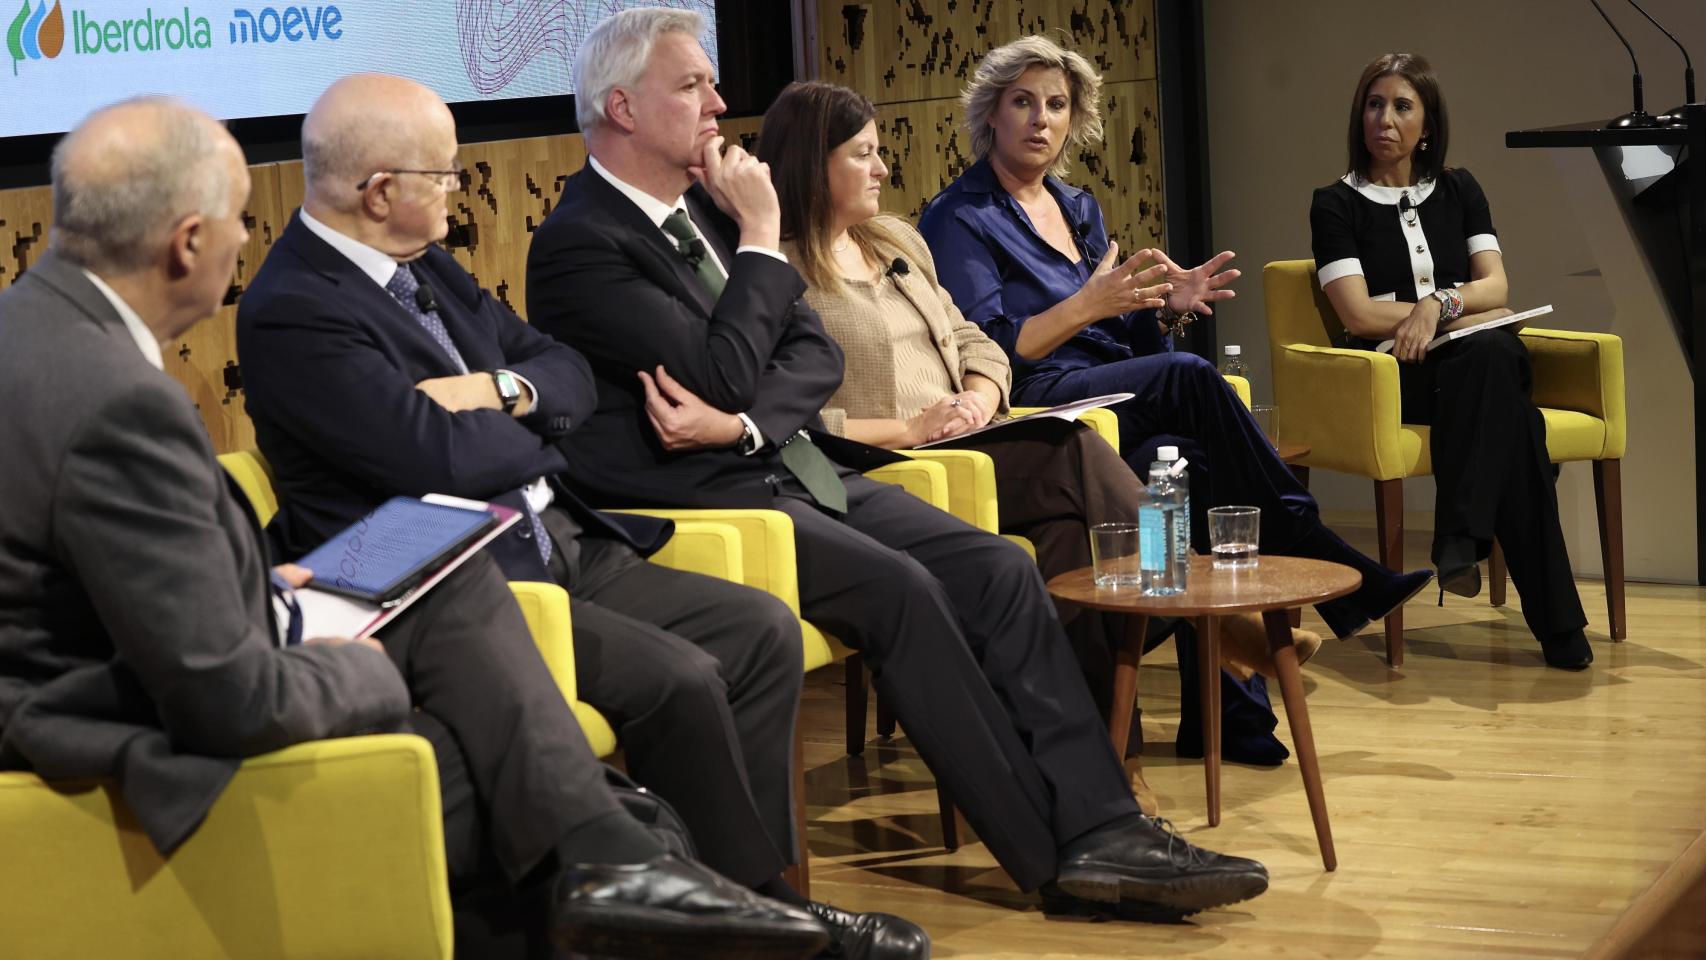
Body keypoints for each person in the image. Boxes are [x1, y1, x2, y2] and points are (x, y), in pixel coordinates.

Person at [0, 96, 832, 960]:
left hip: (218, 636)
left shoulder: (37, 330)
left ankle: (644, 878)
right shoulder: (122, 397)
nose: (250, 240)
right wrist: (365, 676)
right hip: (100, 735)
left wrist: (262, 592)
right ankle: (653, 886)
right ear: (186, 243)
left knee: (449, 576)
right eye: (239, 220)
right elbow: (228, 697)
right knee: (491, 779)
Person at [526, 7, 1270, 922]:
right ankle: (1058, 860)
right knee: (905, 592)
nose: (720, 104)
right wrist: (760, 237)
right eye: (693, 86)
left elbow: (807, 355)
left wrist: (746, 426)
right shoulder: (581, 243)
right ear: (622, 108)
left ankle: (1105, 821)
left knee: (999, 567)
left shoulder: (704, 217)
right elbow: (721, 368)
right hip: (699, 503)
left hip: (778, 465)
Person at [233, 74, 919, 958]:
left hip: (561, 536)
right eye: (443, 176)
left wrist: (497, 392)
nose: (456, 189)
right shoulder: (295, 308)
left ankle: (751, 894)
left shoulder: (425, 263)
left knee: (756, 630)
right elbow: (436, 460)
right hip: (454, 583)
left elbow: (558, 372)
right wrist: (538, 427)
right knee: (679, 677)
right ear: (378, 193)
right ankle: (743, 919)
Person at [755, 79, 1327, 770]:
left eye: (879, 152)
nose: (882, 168)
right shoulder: (778, 272)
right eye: (863, 154)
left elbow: (977, 341)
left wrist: (975, 391)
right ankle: (1210, 628)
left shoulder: (894, 241)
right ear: (812, 162)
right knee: (1071, 445)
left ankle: (1109, 767)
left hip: (972, 436)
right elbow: (783, 418)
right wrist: (906, 429)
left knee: (1067, 544)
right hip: (891, 468)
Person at [918, 34, 1433, 648]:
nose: (1040, 120)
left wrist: (1164, 310)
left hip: (1104, 394)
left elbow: (1118, 326)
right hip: (1036, 400)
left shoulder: (1076, 205)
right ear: (991, 114)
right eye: (1023, 102)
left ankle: (1224, 711)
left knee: (1185, 458)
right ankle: (1307, 537)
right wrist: (1089, 303)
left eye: (1056, 105)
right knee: (1189, 376)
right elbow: (994, 349)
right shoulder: (959, 215)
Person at [1309, 53, 1591, 669]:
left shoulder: (1461, 189)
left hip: (1469, 366)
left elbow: (1497, 287)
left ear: (1428, 124)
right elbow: (1356, 315)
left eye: (1402, 106)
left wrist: (1437, 306)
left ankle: (1462, 538)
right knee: (1516, 417)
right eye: (1374, 104)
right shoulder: (1334, 204)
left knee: (1490, 356)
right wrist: (1436, 316)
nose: (1384, 118)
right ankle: (1555, 623)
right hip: (1399, 374)